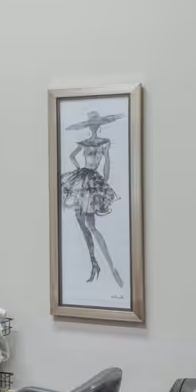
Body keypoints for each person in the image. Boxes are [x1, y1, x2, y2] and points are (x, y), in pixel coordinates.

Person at [59, 111, 125, 288]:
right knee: (82, 221)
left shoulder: (104, 143)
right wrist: (79, 169)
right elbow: (72, 156)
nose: (94, 127)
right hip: (84, 178)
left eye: (96, 124)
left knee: (91, 225)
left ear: (99, 125)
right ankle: (94, 261)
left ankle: (108, 266)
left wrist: (103, 180)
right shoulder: (85, 143)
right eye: (91, 124)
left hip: (92, 181)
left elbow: (107, 165)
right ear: (89, 126)